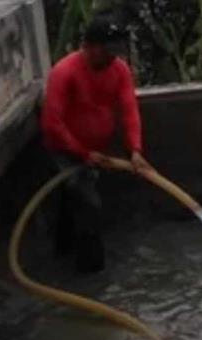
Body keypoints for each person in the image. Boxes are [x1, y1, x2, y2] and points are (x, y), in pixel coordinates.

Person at [40, 11, 153, 273]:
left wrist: (135, 150)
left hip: (93, 150)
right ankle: (92, 277)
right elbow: (52, 124)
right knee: (87, 205)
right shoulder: (64, 72)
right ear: (88, 46)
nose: (112, 57)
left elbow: (129, 110)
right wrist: (82, 153)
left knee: (72, 207)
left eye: (115, 51)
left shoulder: (119, 70)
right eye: (106, 51)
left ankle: (63, 259)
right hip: (64, 150)